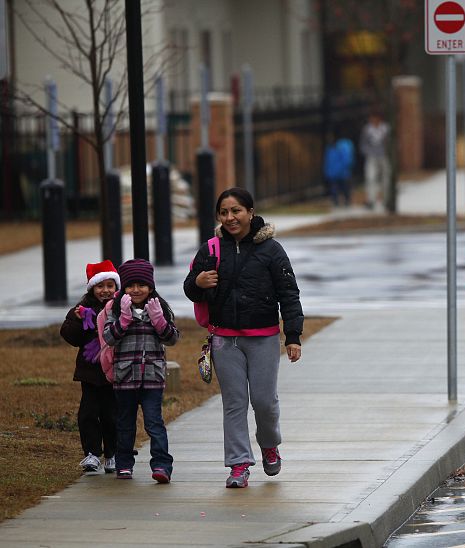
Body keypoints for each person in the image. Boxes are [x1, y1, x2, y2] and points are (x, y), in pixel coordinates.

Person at [183, 187, 304, 489]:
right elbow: (190, 288)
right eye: (224, 212)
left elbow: (289, 293)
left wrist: (293, 335)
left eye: (236, 210)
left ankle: (269, 444)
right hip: (224, 338)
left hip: (262, 336)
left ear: (250, 212)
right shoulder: (211, 248)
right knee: (234, 403)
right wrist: (198, 283)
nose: (230, 217)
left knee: (264, 402)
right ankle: (239, 464)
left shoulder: (272, 250)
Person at [102, 259, 179, 482]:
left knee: (154, 423)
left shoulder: (159, 308)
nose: (136, 290)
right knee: (125, 423)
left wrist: (159, 320)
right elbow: (108, 338)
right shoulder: (116, 311)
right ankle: (124, 464)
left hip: (152, 378)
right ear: (123, 288)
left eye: (141, 285)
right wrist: (124, 320)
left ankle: (162, 466)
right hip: (125, 378)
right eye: (130, 286)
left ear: (150, 286)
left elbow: (172, 338)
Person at [60, 260, 120, 474]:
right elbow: (70, 336)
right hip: (91, 372)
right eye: (100, 286)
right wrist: (76, 321)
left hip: (115, 372)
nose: (105, 291)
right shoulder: (82, 308)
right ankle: (92, 453)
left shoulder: (122, 307)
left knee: (111, 415)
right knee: (88, 413)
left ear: (116, 288)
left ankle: (112, 454)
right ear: (92, 288)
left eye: (110, 286)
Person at [359, 111, 391, 210]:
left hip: (384, 156)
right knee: (371, 178)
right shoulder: (367, 129)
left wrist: (386, 151)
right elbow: (363, 143)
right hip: (372, 157)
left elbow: (390, 142)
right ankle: (371, 200)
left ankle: (387, 199)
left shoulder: (386, 129)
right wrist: (368, 152)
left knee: (386, 178)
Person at [323, 130, 355, 207]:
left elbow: (346, 160)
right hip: (333, 174)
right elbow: (327, 161)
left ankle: (347, 202)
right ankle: (336, 202)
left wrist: (344, 170)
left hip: (343, 173)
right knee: (334, 190)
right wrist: (327, 172)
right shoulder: (329, 148)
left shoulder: (342, 147)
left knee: (345, 189)